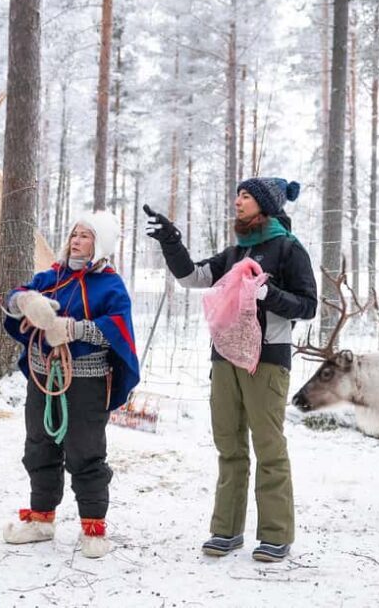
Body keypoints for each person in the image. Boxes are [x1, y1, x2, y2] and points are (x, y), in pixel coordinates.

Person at [145, 177, 317, 562]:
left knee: (269, 448)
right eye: (237, 194)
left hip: (267, 360)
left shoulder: (289, 250)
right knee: (229, 445)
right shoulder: (234, 252)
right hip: (224, 360)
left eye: (246, 196)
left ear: (265, 205)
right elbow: (192, 277)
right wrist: (171, 240)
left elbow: (309, 306)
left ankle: (275, 534)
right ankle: (226, 530)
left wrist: (268, 295)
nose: (238, 201)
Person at [1, 210, 139, 559]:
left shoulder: (111, 285)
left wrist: (75, 329)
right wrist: (27, 302)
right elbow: (14, 296)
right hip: (42, 376)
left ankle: (93, 528)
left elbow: (119, 330)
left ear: (100, 244)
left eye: (85, 236)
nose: (76, 240)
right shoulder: (52, 276)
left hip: (86, 381)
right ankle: (41, 520)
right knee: (39, 445)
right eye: (74, 234)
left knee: (86, 452)